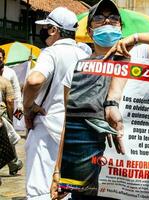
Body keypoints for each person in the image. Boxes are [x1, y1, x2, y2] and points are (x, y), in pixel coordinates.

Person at [50, 0, 149, 199]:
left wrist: (135, 38)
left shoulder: (140, 55)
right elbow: (69, 124)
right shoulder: (78, 68)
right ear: (90, 31)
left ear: (121, 28)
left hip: (131, 172)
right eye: (99, 18)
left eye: (114, 18)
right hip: (92, 169)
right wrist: (58, 171)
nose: (107, 21)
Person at [23, 7, 89, 199]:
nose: (42, 32)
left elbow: (34, 80)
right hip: (75, 133)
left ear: (54, 30)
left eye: (46, 28)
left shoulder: (51, 53)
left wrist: (28, 107)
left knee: (41, 192)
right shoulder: (84, 55)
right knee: (67, 191)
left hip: (46, 130)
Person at [0, 48, 23, 175]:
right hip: (4, 110)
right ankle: (14, 163)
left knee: (8, 137)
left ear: (4, 58)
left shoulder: (10, 73)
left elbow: (15, 92)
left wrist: (18, 107)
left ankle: (13, 163)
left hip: (8, 109)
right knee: (7, 138)